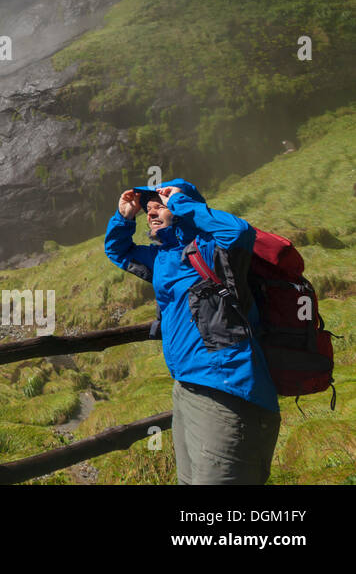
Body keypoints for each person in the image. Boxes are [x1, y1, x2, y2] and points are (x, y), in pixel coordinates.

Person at [105, 178, 280, 484]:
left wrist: (181, 202)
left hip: (226, 389)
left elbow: (239, 231)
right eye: (149, 209)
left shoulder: (213, 249)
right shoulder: (163, 257)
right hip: (185, 386)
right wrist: (124, 217)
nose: (152, 213)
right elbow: (119, 252)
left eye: (160, 206)